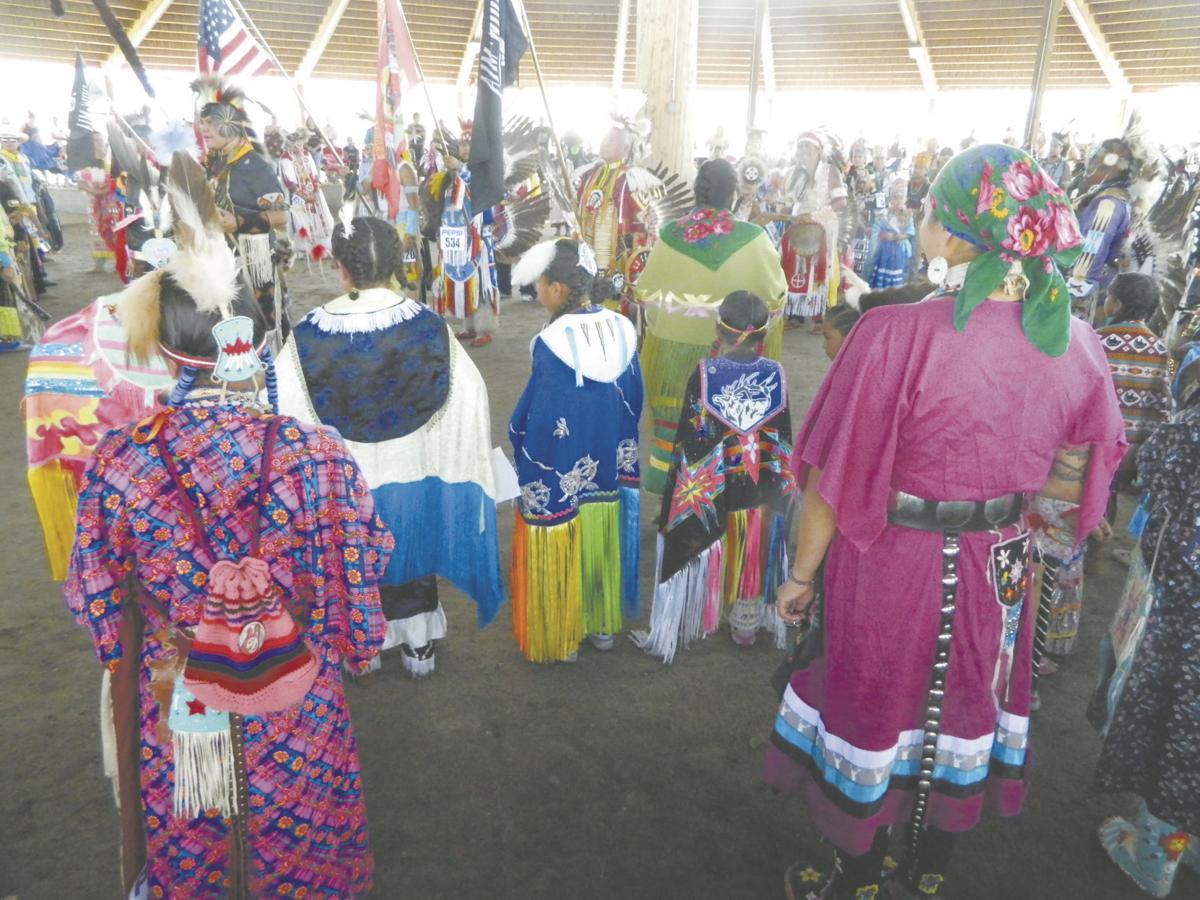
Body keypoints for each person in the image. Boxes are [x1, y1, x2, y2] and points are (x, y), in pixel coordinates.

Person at [763, 145, 1126, 900]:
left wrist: (800, 578)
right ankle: (929, 871)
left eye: (931, 208)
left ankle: (857, 875)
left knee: (873, 699)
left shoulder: (896, 334)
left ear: (960, 237)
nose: (920, 217)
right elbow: (1076, 473)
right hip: (1003, 559)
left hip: (891, 557)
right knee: (969, 701)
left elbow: (834, 483)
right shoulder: (1075, 341)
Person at [63, 153, 391, 898]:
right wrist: (344, 639)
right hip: (298, 693)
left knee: (198, 843)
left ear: (165, 347)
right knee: (300, 847)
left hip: (183, 699)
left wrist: (146, 645)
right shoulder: (318, 456)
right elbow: (357, 581)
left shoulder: (120, 463)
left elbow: (97, 604)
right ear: (244, 339)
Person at [275, 214, 505, 676]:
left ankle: (362, 648)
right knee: (409, 549)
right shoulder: (429, 327)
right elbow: (470, 394)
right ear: (398, 264)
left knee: (352, 560)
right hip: (413, 472)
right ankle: (418, 646)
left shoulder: (307, 334)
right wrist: (445, 451)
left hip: (346, 482)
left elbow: (283, 409)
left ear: (341, 268)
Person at [1087, 342, 1200, 898]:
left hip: (1188, 604)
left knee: (1177, 727)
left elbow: (1153, 470)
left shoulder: (1193, 424)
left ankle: (1154, 858)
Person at [636, 291, 798, 662]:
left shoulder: (705, 374)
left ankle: (697, 612)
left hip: (714, 487)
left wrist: (678, 487)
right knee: (752, 551)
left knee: (708, 539)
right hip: (757, 489)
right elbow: (781, 443)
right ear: (764, 333)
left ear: (718, 330)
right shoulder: (776, 374)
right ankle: (747, 620)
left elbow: (690, 438)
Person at [508, 239, 642, 663]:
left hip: (563, 466)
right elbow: (632, 398)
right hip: (610, 457)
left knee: (563, 530)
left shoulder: (550, 342)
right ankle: (602, 624)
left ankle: (563, 632)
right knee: (602, 533)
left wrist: (519, 442)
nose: (538, 293)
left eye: (541, 285)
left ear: (560, 289)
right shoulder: (623, 325)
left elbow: (539, 419)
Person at [636, 159, 787, 495]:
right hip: (733, 357)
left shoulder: (670, 235)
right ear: (733, 194)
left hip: (673, 359)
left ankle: (672, 489)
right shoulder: (754, 238)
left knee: (674, 419)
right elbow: (776, 298)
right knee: (725, 426)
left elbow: (644, 293)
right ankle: (720, 488)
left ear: (697, 191)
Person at [193, 76, 290, 332]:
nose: (204, 129)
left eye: (211, 123)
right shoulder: (217, 163)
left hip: (255, 262)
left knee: (263, 325)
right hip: (223, 260)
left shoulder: (255, 166)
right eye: (202, 123)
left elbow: (281, 217)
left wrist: (238, 222)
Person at [866, 176, 916, 289]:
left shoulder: (908, 215)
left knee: (896, 280)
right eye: (895, 197)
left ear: (905, 198)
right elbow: (876, 231)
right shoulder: (884, 214)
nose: (898, 200)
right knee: (881, 278)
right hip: (884, 252)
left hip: (899, 252)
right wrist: (881, 235)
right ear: (890, 198)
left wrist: (895, 236)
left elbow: (910, 232)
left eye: (901, 197)